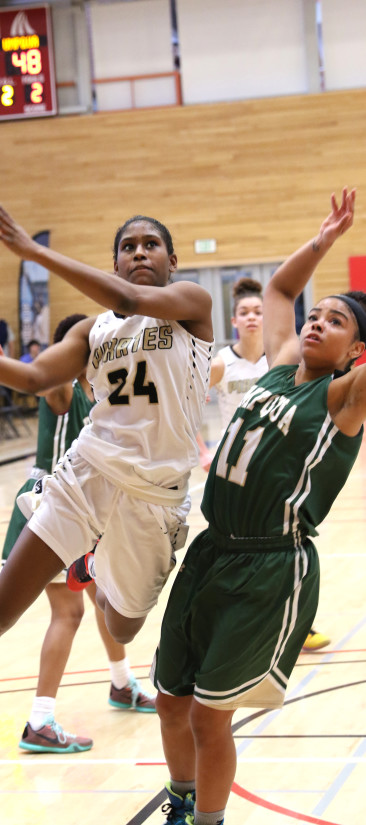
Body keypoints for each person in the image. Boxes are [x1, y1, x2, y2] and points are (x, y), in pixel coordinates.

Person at [0, 202, 213, 747]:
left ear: (172, 261)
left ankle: (99, 560)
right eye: (128, 246)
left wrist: (34, 251)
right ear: (114, 263)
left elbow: (134, 300)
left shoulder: (192, 305)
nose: (139, 252)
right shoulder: (95, 330)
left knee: (121, 627)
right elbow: (34, 377)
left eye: (150, 245)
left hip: (154, 495)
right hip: (87, 475)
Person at [152, 188, 365, 825]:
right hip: (213, 550)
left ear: (357, 353)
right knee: (170, 700)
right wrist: (323, 240)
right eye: (317, 313)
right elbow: (278, 292)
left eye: (336, 320)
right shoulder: (277, 368)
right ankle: (182, 804)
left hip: (270, 568)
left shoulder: (342, 398)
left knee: (210, 716)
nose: (316, 320)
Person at [3, 313, 155, 754]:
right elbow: (42, 380)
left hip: (84, 507)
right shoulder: (64, 389)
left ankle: (122, 684)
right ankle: (39, 720)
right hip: (49, 502)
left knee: (105, 599)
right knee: (68, 614)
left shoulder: (97, 396)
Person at [196, 278, 329, 653]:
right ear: (234, 320)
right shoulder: (222, 364)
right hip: (235, 474)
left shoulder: (282, 360)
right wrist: (203, 450)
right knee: (235, 551)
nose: (253, 317)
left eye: (259, 311)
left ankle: (295, 624)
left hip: (277, 467)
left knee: (285, 544)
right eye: (244, 312)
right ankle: (233, 623)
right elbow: (185, 403)